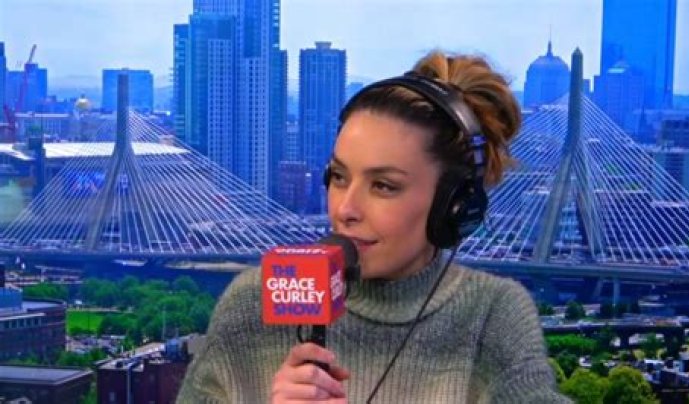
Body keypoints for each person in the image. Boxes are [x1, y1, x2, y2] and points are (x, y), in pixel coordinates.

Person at [177, 51, 570, 403]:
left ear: (452, 206)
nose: (346, 209)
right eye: (339, 177)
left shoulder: (492, 317)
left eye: (383, 186)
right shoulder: (254, 302)